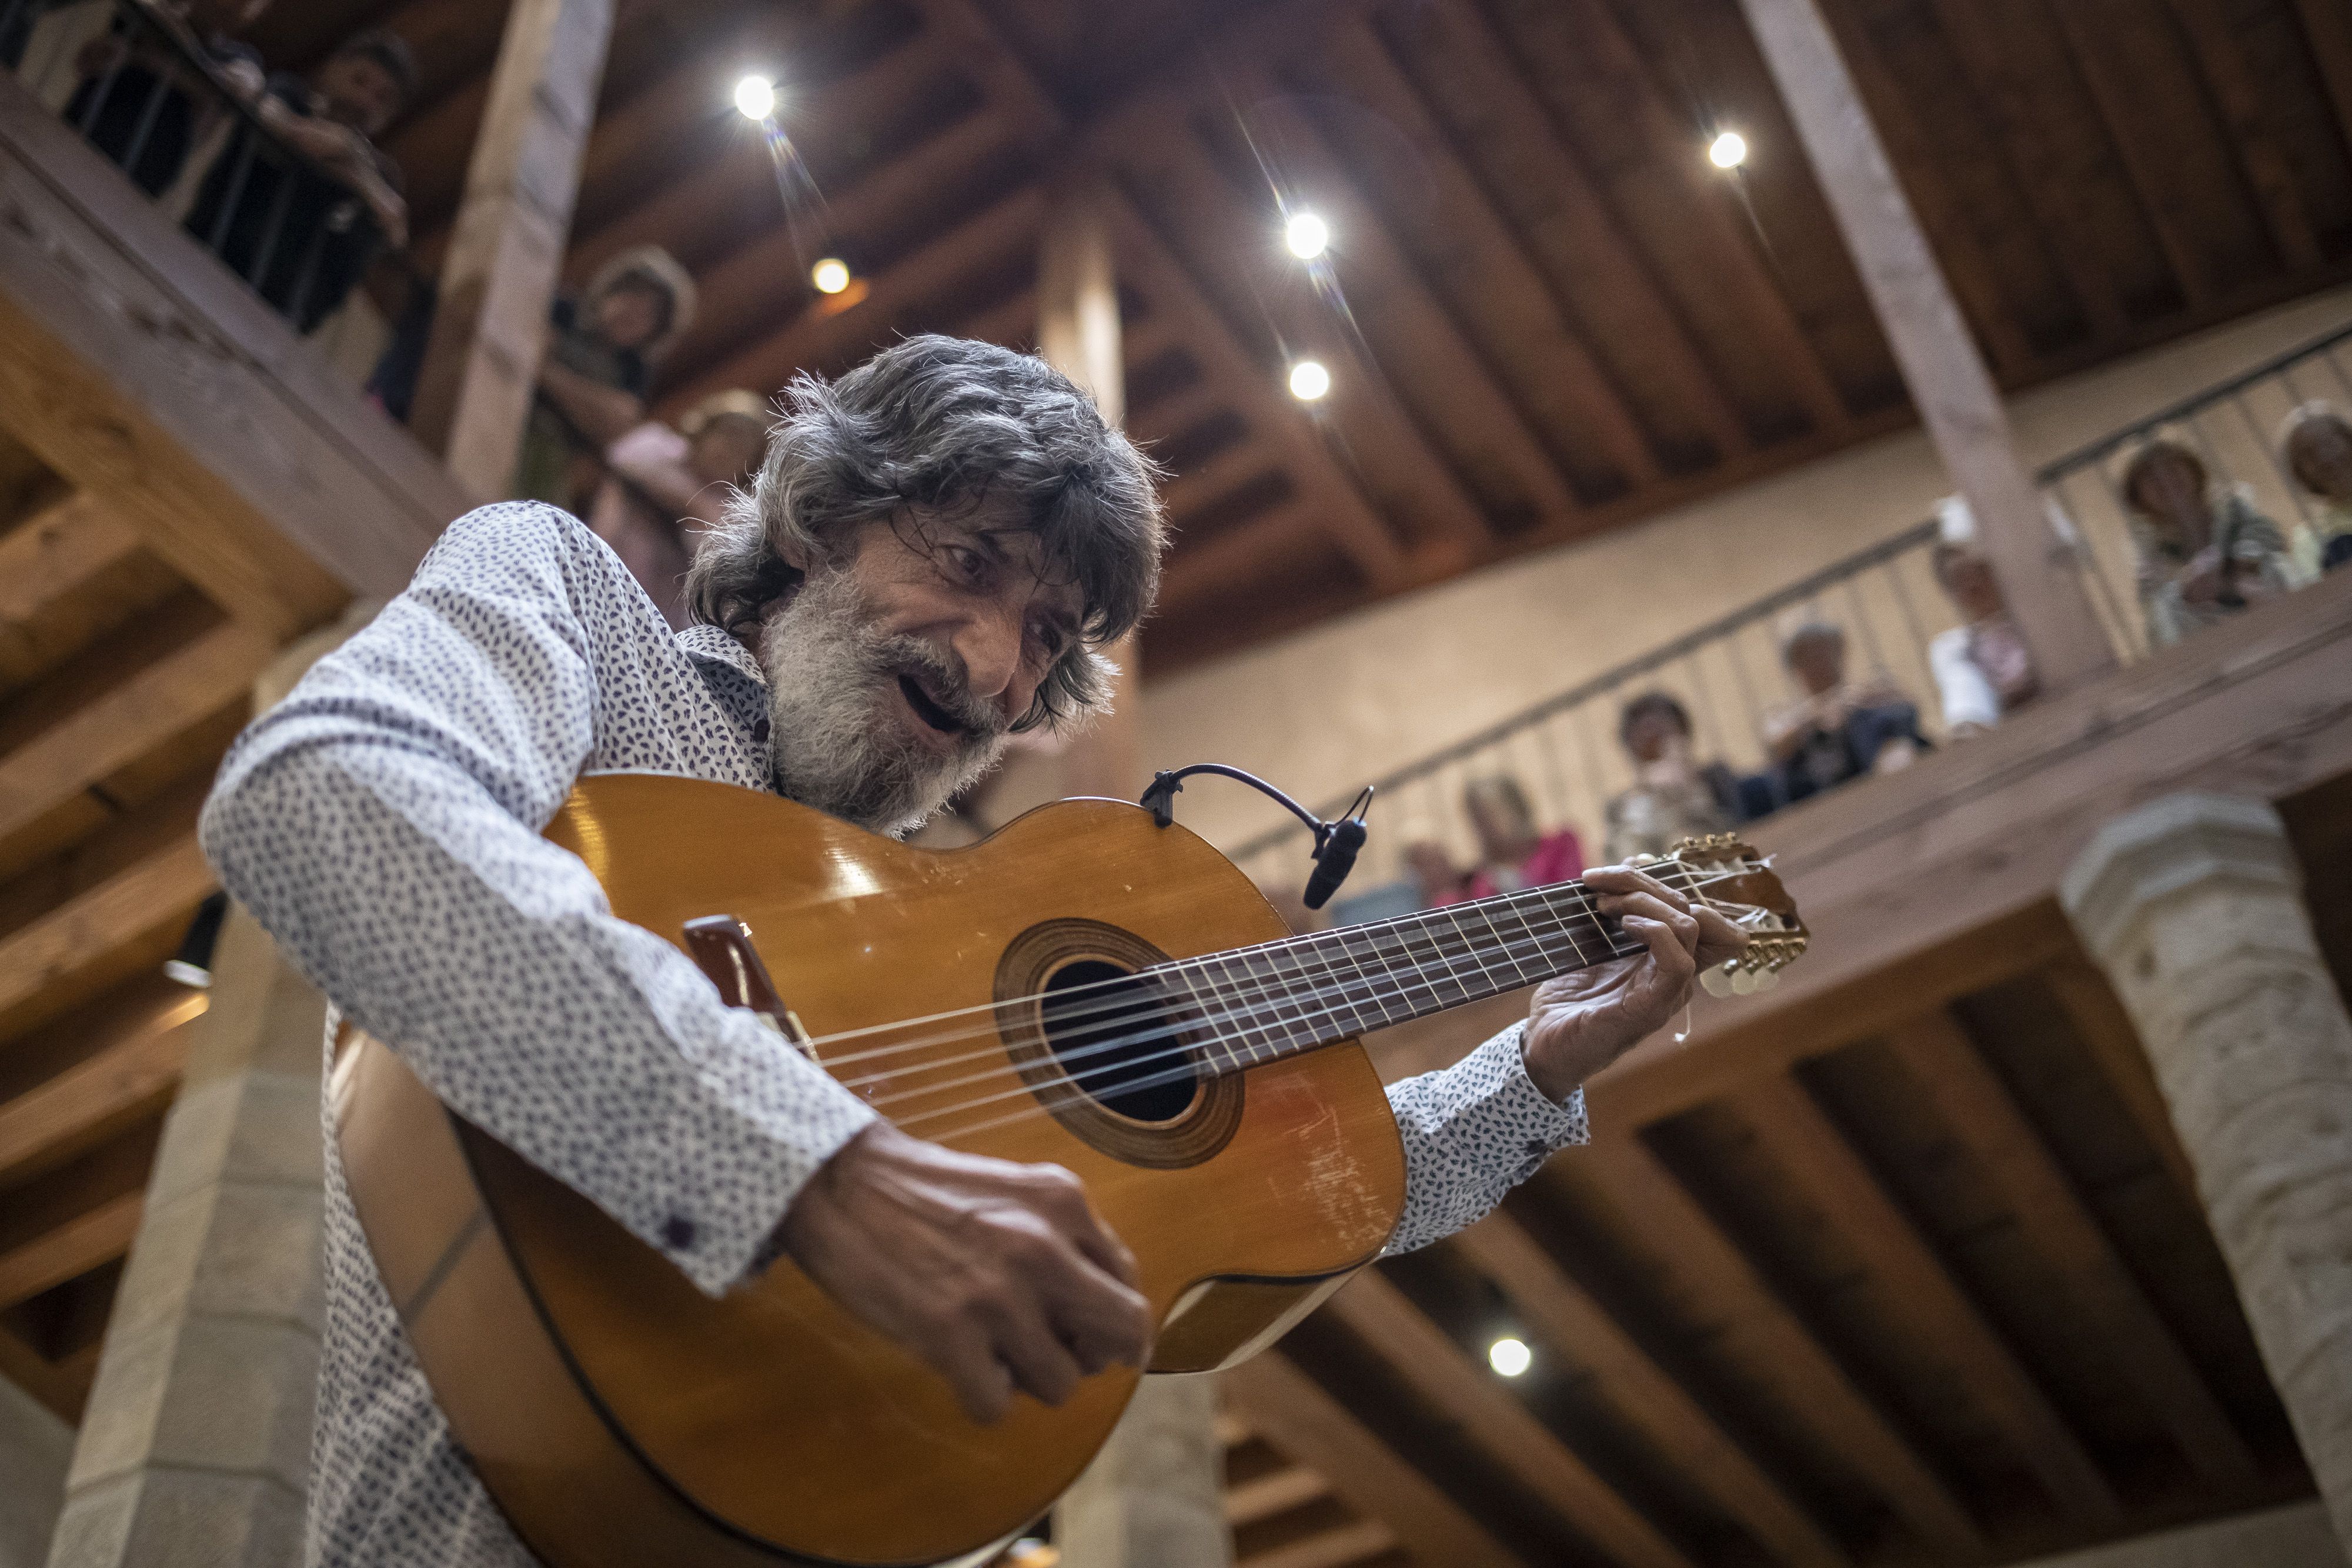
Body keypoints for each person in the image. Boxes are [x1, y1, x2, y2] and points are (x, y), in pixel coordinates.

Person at [201, 337, 1741, 1566]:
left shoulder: (953, 911)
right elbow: (323, 788)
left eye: (1052, 633)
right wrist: (813, 1166)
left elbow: (1281, 1184)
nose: (1002, 666)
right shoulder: (575, 610)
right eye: (966, 560)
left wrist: (1534, 1065)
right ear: (816, 518)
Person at [181, 30, 413, 332]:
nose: (365, 101)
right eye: (359, 80)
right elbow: (271, 117)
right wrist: (340, 153)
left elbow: (395, 227)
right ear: (334, 70)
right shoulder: (290, 93)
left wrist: (356, 169)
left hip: (279, 318)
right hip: (204, 254)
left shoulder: (380, 173)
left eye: (382, 98)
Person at [516, 246, 697, 509]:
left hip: (550, 460)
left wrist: (546, 372)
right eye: (632, 297)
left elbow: (618, 423)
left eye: (648, 315)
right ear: (610, 291)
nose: (633, 314)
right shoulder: (562, 310)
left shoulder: (633, 371)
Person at [586, 388, 770, 628]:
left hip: (652, 615)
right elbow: (625, 465)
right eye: (729, 435)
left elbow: (715, 539)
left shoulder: (734, 510)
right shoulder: (657, 442)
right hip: (599, 564)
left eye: (744, 450)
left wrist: (673, 494)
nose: (729, 451)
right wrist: (688, 503)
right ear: (707, 426)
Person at [60, 0, 269, 196]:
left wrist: (145, 54)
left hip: (148, 171)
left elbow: (240, 87)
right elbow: (88, 60)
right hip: (87, 131)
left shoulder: (242, 59)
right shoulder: (153, 11)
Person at [2115, 433, 2296, 647]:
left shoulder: (2236, 511)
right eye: (2150, 477)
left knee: (2271, 569)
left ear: (2193, 469)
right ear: (2140, 499)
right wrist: (2188, 586)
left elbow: (2270, 541)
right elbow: (2156, 621)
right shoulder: (2151, 557)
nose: (2164, 479)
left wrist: (2227, 569)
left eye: (2171, 466)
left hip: (2267, 608)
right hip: (2209, 639)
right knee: (2169, 607)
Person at [1759, 621, 1927, 806]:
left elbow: (1907, 706)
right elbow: (1776, 745)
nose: (1816, 662)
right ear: (1795, 668)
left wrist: (1854, 704)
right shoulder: (1788, 714)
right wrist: (1818, 715)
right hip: (1818, 786)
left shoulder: (1868, 690)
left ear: (1839, 652)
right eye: (1805, 657)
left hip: (1874, 766)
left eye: (1821, 651)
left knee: (1877, 723)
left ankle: (1899, 781)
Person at [1926, 497, 2039, 737]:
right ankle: (1973, 732)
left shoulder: (2038, 618)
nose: (1971, 584)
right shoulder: (1955, 648)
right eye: (1959, 579)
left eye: (1977, 571)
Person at [1601, 691, 1739, 863]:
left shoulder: (1715, 777)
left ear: (1682, 731)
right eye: (1638, 725)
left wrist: (1685, 788)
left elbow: (1730, 832)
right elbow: (1620, 859)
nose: (1648, 730)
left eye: (1659, 719)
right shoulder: (1619, 807)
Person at [1421, 774, 1582, 907]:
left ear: (1517, 810)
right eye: (1479, 818)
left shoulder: (1560, 845)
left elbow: (1568, 898)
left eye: (1494, 814)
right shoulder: (1475, 882)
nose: (1487, 826)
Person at [2278, 400, 2352, 577]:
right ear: (2301, 473)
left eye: (2330, 442)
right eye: (2308, 454)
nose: (2325, 459)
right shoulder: (2309, 540)